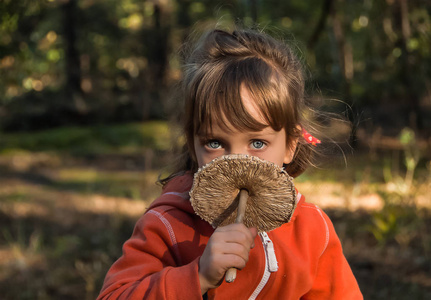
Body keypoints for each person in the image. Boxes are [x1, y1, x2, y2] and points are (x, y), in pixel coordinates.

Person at [97, 28, 363, 299]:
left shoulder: (311, 230)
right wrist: (197, 276)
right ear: (193, 144)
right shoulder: (168, 225)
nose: (235, 162)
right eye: (215, 143)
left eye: (257, 143)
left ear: (290, 145)